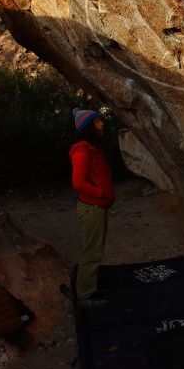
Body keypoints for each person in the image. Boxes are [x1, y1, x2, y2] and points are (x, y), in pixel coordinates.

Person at [69, 108, 115, 307]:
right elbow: (78, 183)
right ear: (89, 127)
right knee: (91, 252)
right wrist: (101, 193)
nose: (102, 124)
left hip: (97, 207)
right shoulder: (82, 150)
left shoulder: (92, 148)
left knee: (95, 249)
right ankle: (85, 296)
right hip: (92, 208)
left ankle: (88, 287)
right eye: (97, 122)